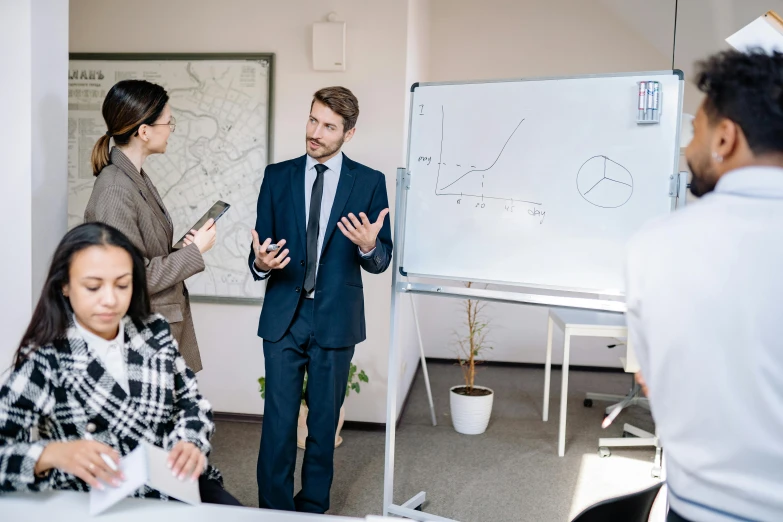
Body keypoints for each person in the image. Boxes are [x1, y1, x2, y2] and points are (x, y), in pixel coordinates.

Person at [626, 50, 783, 522]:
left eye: (694, 132)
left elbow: (652, 381)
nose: (688, 149)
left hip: (700, 509)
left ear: (725, 136)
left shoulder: (655, 245)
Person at [0, 222, 239, 505]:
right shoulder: (45, 357)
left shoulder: (154, 331)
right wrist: (50, 455)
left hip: (176, 484)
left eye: (122, 285)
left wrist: (190, 441)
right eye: (93, 286)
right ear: (64, 285)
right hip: (95, 497)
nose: (110, 300)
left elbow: (191, 403)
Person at [249, 86, 392, 513]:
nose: (315, 132)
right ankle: (274, 509)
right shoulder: (278, 176)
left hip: (335, 317)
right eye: (313, 120)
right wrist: (260, 263)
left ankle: (312, 506)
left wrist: (369, 246)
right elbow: (259, 251)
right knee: (277, 421)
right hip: (283, 316)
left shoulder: (369, 183)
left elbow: (381, 259)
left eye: (328, 126)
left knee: (324, 420)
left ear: (348, 133)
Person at [84, 79, 215, 372]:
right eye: (169, 122)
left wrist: (182, 248)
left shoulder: (134, 178)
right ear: (144, 131)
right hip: (140, 340)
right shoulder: (116, 188)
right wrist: (194, 252)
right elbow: (131, 278)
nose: (171, 129)